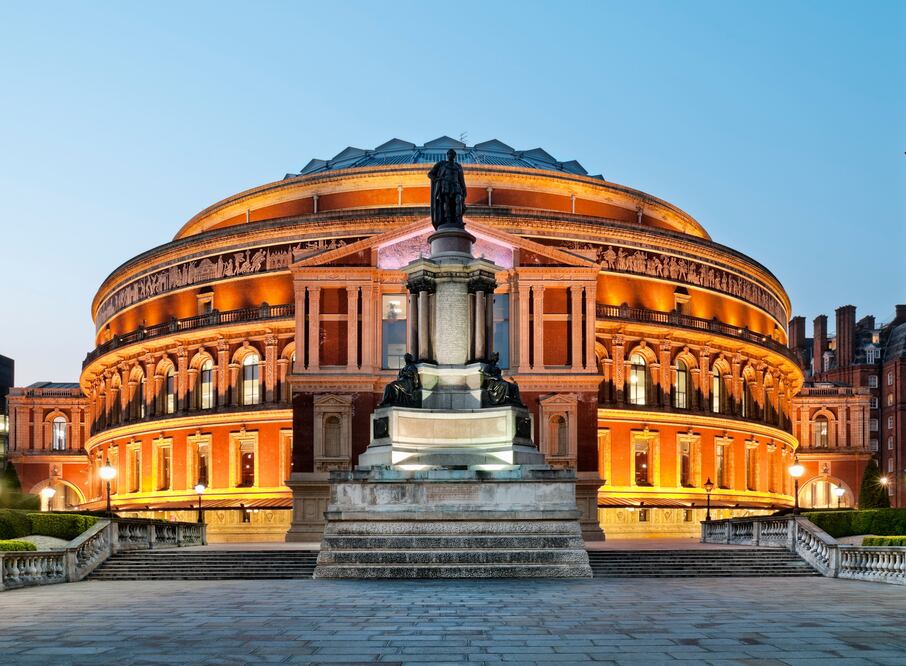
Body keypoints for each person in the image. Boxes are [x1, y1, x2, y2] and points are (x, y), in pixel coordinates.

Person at [428, 148, 467, 229]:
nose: (450, 155)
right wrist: (437, 179)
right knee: (447, 203)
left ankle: (459, 220)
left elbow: (461, 179)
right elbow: (430, 174)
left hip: (456, 186)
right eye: (449, 154)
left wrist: (464, 189)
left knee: (459, 200)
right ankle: (448, 220)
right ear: (447, 155)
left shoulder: (458, 166)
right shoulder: (442, 164)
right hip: (445, 185)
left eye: (452, 154)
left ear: (454, 156)